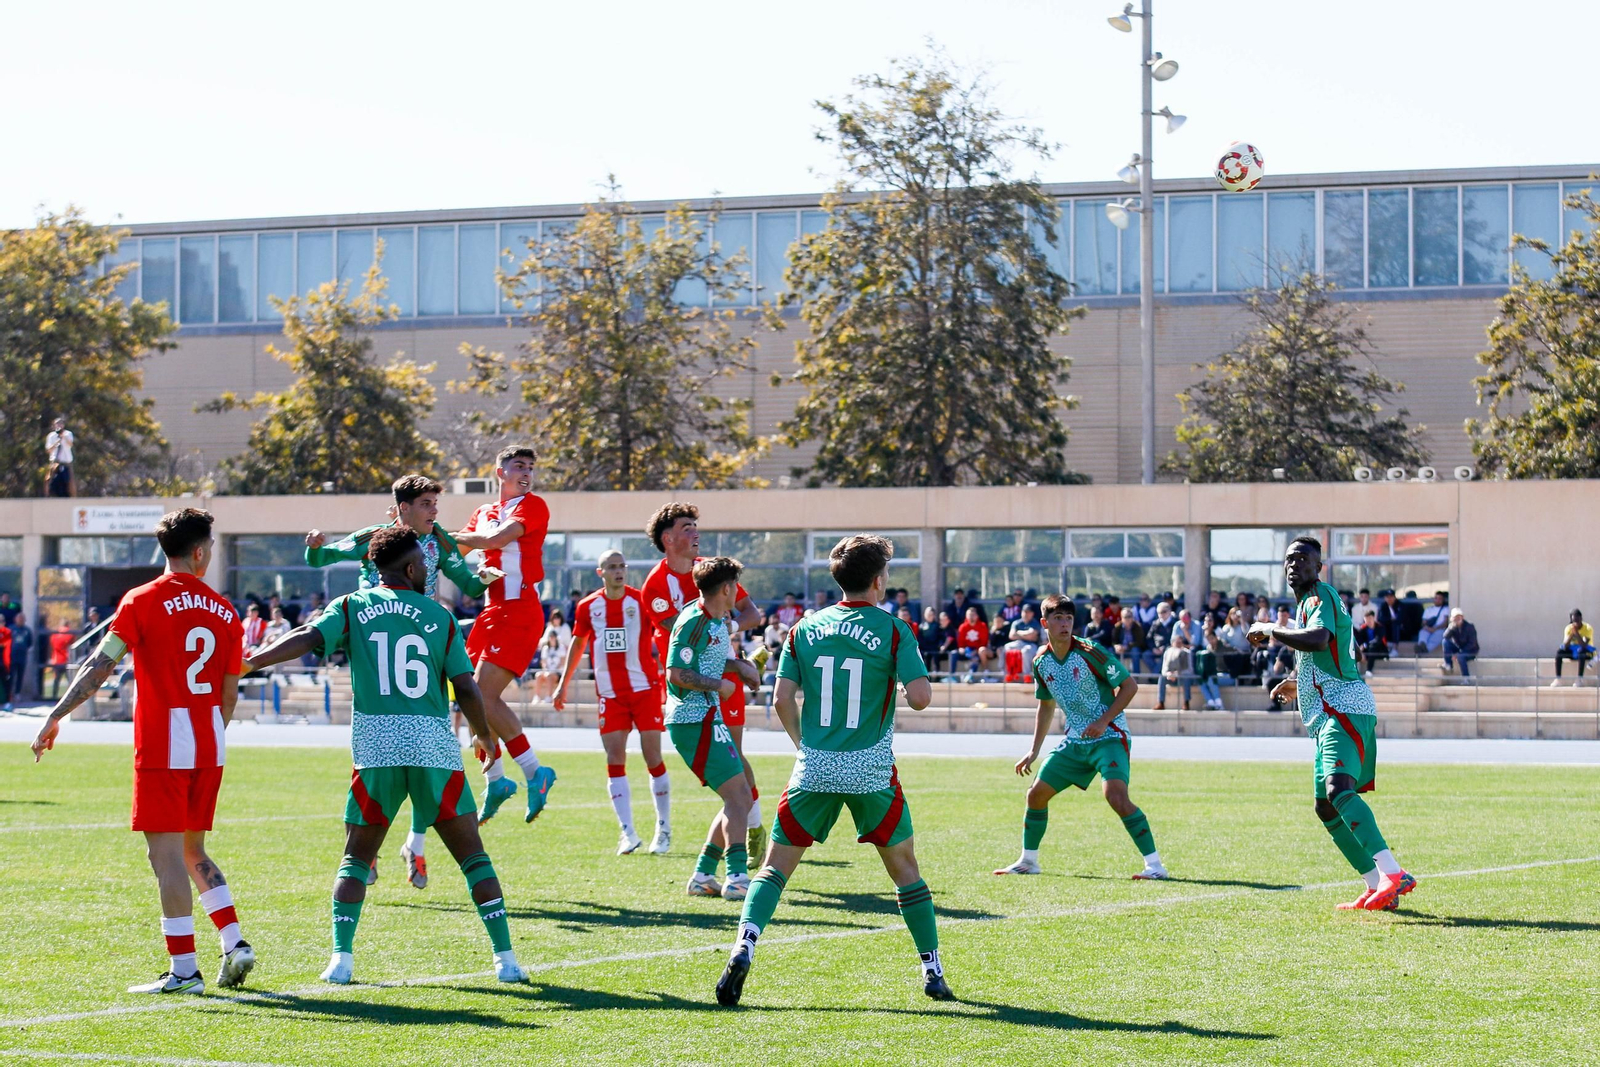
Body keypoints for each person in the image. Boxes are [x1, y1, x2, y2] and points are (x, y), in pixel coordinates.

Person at [242, 526, 527, 985]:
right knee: (473, 857)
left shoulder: (353, 606)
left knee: (356, 858)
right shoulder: (438, 615)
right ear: (413, 569)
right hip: (432, 745)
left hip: (376, 745)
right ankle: (507, 960)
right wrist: (484, 736)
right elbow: (467, 686)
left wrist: (254, 660)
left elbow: (308, 637)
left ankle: (341, 959)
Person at [716, 535, 949, 1006]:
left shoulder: (804, 628)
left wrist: (808, 748)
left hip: (814, 768)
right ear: (879, 580)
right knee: (905, 872)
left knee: (773, 871)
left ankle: (744, 945)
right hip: (870, 770)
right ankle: (932, 971)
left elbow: (782, 700)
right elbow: (921, 699)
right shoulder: (893, 629)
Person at [31, 508, 255, 994]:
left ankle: (184, 971)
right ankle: (235, 942)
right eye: (211, 547)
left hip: (163, 743)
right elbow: (230, 692)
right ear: (199, 551)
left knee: (165, 855)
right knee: (192, 848)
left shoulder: (142, 600)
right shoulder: (226, 610)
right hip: (209, 740)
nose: (211, 555)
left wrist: (57, 714)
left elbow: (100, 665)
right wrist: (211, 732)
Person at [1248, 536, 1416, 911]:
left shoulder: (1317, 596)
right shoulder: (1310, 603)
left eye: (1303, 558)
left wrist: (1271, 630)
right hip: (1328, 712)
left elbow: (1321, 639)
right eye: (1289, 559)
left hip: (1342, 708)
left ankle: (1392, 871)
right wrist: (1298, 681)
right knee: (1325, 806)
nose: (1294, 564)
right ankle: (1377, 885)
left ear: (1318, 567)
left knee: (1339, 791)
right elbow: (1332, 651)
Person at [994, 594, 1166, 881]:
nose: (1064, 624)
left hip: (1110, 736)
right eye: (1058, 618)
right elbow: (1045, 705)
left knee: (1115, 796)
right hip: (1075, 741)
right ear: (1044, 623)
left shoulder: (1090, 651)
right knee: (1036, 795)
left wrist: (1103, 721)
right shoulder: (1040, 662)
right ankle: (1028, 861)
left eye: (1069, 618)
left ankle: (1155, 866)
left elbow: (1129, 686)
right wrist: (1033, 750)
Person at [642, 502, 768, 866]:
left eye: (696, 526)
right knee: (731, 779)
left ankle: (744, 835)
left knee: (737, 765)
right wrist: (728, 654)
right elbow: (686, 644)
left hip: (724, 678)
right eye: (687, 527)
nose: (696, 533)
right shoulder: (655, 587)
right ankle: (747, 838)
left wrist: (726, 633)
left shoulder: (711, 571)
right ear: (668, 538)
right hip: (695, 690)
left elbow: (752, 615)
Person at [451, 445, 560, 826]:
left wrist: (437, 535)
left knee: (482, 694)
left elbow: (494, 540)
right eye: (518, 466)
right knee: (467, 697)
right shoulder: (482, 512)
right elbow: (458, 550)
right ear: (499, 472)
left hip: (519, 610)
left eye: (530, 466)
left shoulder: (533, 505)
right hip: (491, 610)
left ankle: (534, 772)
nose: (527, 472)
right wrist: (411, 543)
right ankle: (496, 779)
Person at [553, 550, 673, 856]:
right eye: (613, 567)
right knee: (614, 758)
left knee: (652, 757)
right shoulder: (587, 607)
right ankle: (628, 833)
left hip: (645, 689)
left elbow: (665, 633)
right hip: (610, 694)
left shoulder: (641, 601)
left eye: (622, 566)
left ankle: (664, 828)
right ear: (600, 572)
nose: (619, 571)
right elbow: (578, 645)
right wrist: (563, 685)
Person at [663, 557, 760, 901]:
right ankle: (736, 878)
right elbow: (676, 673)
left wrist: (739, 668)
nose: (738, 592)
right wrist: (720, 685)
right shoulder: (694, 620)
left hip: (707, 717)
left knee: (738, 796)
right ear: (726, 588)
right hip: (692, 719)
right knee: (739, 796)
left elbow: (710, 659)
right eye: (736, 585)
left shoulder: (717, 621)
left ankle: (704, 876)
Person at [305, 476, 488, 604]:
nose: (434, 511)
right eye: (426, 504)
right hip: (374, 619)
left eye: (435, 504)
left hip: (418, 622)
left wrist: (487, 578)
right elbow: (320, 559)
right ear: (404, 507)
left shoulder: (440, 542)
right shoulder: (375, 536)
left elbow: (469, 586)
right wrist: (315, 548)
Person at [1154, 629, 1192, 711]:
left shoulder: (1187, 653)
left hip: (1181, 676)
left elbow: (1189, 670)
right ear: (1172, 643)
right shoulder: (1168, 652)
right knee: (1161, 678)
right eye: (1176, 642)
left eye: (1180, 642)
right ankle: (1161, 702)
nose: (1178, 644)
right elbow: (1164, 668)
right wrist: (1168, 674)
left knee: (1186, 677)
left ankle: (1186, 702)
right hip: (1170, 677)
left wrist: (1177, 674)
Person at [1554, 609, 1594, 686]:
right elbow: (1565, 646)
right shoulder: (1569, 628)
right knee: (1559, 652)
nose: (1576, 623)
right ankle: (1558, 679)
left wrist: (1577, 633)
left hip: (1587, 652)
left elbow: (1584, 645)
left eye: (1577, 620)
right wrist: (1572, 634)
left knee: (1581, 651)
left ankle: (1579, 679)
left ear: (1581, 619)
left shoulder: (1588, 628)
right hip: (1574, 651)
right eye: (1574, 621)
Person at [1004, 604, 1042, 676]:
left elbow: (1032, 636)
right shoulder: (1016, 622)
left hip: (1031, 644)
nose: (1026, 614)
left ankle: (1026, 675)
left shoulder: (1035, 623)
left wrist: (1018, 633)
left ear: (1032, 614)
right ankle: (1007, 673)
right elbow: (1011, 636)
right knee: (1007, 647)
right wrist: (1026, 634)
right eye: (1024, 612)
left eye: (1028, 612)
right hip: (1019, 643)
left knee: (1026, 651)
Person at [954, 606, 991, 677]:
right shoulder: (962, 627)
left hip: (977, 650)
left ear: (977, 616)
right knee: (953, 654)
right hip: (966, 650)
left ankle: (970, 675)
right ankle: (952, 676)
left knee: (974, 657)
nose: (971, 617)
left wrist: (976, 650)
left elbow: (984, 641)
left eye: (973, 615)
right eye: (969, 615)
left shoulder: (982, 626)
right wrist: (961, 648)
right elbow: (960, 641)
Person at [1111, 608, 1149, 676]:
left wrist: (1127, 646)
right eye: (1125, 617)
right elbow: (1113, 640)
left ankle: (1136, 676)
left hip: (1132, 649)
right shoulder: (1117, 627)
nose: (1128, 619)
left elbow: (1140, 642)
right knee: (1110, 651)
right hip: (1120, 650)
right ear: (1122, 618)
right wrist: (1116, 646)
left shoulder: (1138, 627)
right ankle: (1114, 676)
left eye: (1129, 616)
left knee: (1135, 651)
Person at [1441, 609, 1478, 677]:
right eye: (1455, 617)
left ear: (1462, 617)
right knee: (1445, 642)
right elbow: (1445, 636)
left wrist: (1459, 653)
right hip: (1459, 648)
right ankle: (1448, 664)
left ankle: (1466, 678)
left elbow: (1472, 643)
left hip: (1470, 651)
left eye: (1459, 617)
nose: (1457, 619)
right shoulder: (1453, 627)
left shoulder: (1469, 626)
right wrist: (1451, 627)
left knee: (1460, 656)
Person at [45, 415, 75, 497]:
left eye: (60, 424)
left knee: (69, 483)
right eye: (57, 424)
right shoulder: (51, 436)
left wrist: (63, 437)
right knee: (50, 481)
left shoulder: (68, 434)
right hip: (55, 463)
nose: (59, 426)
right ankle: (49, 496)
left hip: (66, 463)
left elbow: (70, 444)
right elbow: (48, 450)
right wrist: (56, 442)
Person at [48, 619, 73, 699]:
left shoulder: (55, 634)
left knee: (56, 680)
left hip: (57, 660)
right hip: (66, 659)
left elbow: (52, 645)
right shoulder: (69, 633)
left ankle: (54, 696)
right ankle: (71, 697)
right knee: (70, 680)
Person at [8, 614, 29, 705]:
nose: (21, 620)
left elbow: (29, 643)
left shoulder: (27, 631)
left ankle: (17, 694)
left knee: (20, 676)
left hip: (22, 657)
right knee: (11, 676)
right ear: (15, 619)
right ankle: (9, 694)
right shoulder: (11, 629)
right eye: (19, 619)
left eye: (22, 619)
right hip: (11, 657)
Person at [917, 607, 944, 671]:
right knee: (926, 661)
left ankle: (937, 676)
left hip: (934, 647)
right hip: (924, 648)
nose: (929, 616)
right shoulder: (921, 626)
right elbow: (920, 638)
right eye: (927, 614)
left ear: (934, 615)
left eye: (931, 614)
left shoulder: (938, 626)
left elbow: (941, 637)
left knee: (936, 661)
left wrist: (940, 645)